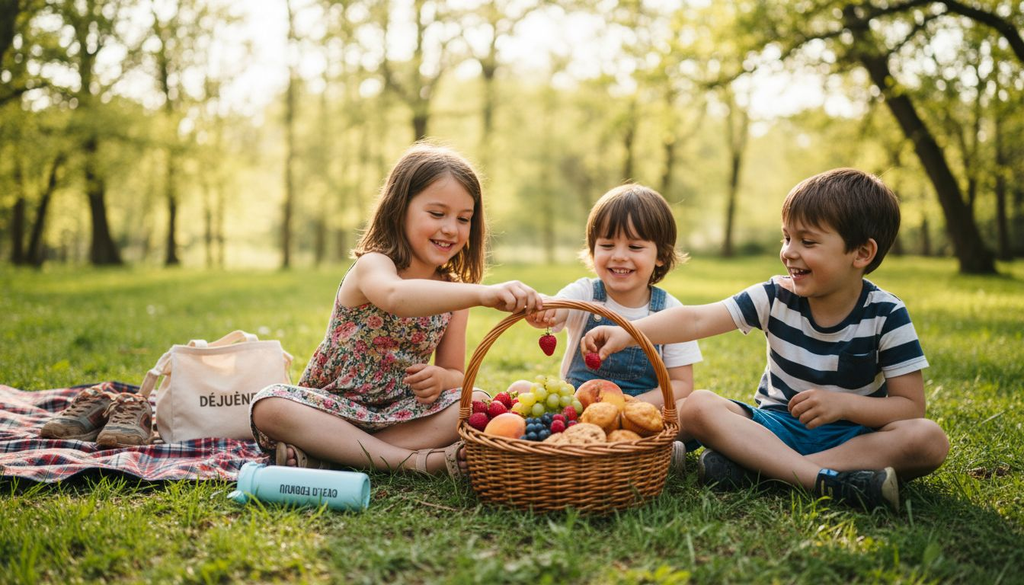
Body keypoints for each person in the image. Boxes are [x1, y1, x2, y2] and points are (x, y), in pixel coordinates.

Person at [582, 169, 949, 511]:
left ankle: (762, 469)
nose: (789, 251)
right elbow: (695, 319)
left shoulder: (887, 314)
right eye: (787, 237)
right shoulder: (775, 296)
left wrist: (843, 405)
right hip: (772, 427)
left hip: (854, 441)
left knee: (928, 439)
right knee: (697, 406)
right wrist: (627, 333)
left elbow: (909, 407)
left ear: (861, 253)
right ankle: (819, 480)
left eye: (807, 241)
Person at [251, 142, 542, 477]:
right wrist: (482, 294)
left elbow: (455, 373)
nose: (451, 228)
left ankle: (331, 457)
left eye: (464, 219)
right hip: (335, 409)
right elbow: (395, 297)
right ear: (399, 208)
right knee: (268, 405)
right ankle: (415, 462)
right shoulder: (374, 266)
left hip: (403, 414)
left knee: (474, 400)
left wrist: (441, 377)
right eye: (437, 214)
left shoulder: (454, 291)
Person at [527, 184, 702, 409]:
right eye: (607, 245)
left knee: (691, 407)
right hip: (579, 409)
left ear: (662, 255)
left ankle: (661, 444)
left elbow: (681, 383)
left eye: (635, 247)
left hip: (638, 413)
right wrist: (544, 307)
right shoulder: (585, 294)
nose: (619, 256)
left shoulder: (670, 311)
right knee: (521, 388)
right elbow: (559, 307)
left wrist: (631, 405)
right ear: (592, 251)